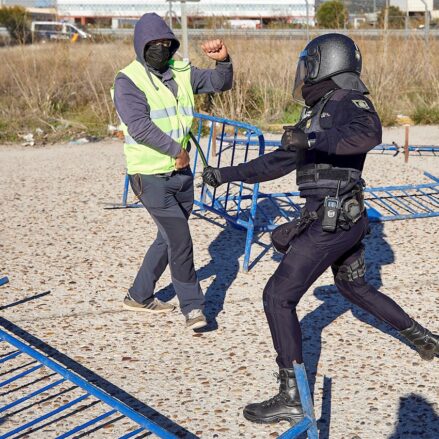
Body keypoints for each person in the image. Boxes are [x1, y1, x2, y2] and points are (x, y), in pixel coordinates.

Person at [202, 34, 438, 425]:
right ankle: (425, 340)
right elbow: (279, 161)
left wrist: (312, 137)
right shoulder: (317, 109)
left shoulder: (349, 101)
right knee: (354, 287)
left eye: (307, 64)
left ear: (324, 63)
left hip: (332, 219)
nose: (303, 73)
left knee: (277, 296)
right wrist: (225, 174)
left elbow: (370, 134)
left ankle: (292, 397)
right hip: (337, 218)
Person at [112, 13, 232, 330]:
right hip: (149, 176)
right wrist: (176, 150)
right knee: (180, 241)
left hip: (181, 175)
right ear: (141, 46)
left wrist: (224, 61)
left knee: (167, 239)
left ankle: (138, 295)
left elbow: (221, 83)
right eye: (154, 44)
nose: (161, 49)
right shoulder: (128, 80)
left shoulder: (181, 72)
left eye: (166, 43)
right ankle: (193, 308)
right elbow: (138, 127)